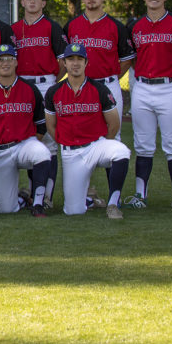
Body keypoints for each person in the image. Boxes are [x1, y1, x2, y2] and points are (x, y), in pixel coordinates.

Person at [124, 0, 172, 209]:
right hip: (142, 87)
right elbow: (131, 58)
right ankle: (140, 195)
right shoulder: (134, 26)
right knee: (143, 145)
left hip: (170, 87)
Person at [44, 42, 130, 219]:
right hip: (70, 153)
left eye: (79, 59)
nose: (75, 63)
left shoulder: (99, 89)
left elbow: (114, 124)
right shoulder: (53, 92)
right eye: (70, 59)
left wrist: (103, 144)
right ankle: (90, 198)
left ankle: (113, 204)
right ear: (64, 63)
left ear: (86, 63)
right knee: (73, 211)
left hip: (95, 146)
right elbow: (50, 126)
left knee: (121, 151)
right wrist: (63, 141)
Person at [0, 44, 52, 216]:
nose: (5, 63)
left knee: (42, 153)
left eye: (9, 59)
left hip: (24, 144)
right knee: (6, 210)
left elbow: (40, 125)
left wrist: (28, 142)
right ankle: (24, 197)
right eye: (1, 60)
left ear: (16, 62)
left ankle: (38, 203)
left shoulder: (30, 89)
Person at [12, 0, 67, 206]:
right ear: (22, 2)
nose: (32, 1)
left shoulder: (52, 27)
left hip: (45, 83)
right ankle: (34, 190)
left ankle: (46, 196)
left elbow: (63, 62)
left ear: (43, 2)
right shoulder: (14, 30)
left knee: (50, 142)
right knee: (27, 138)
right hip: (22, 84)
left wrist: (52, 80)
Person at [64, 0, 135, 124]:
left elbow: (127, 59)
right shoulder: (71, 26)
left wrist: (112, 77)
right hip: (79, 85)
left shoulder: (116, 26)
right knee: (79, 131)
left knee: (113, 134)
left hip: (108, 85)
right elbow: (63, 58)